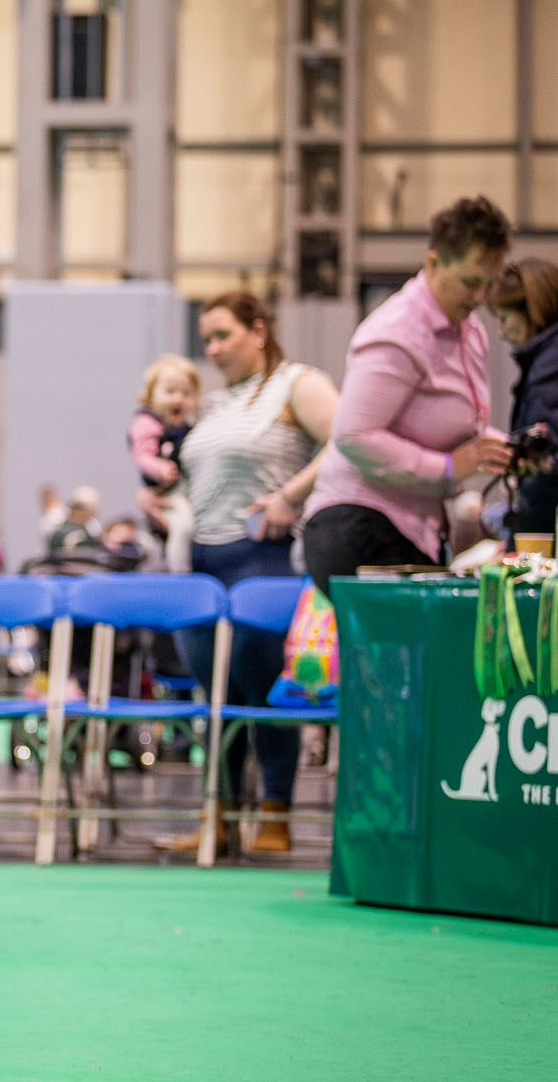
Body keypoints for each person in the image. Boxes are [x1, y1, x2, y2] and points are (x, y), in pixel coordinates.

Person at [175, 290, 338, 854]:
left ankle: (276, 814)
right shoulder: (218, 403)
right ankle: (216, 817)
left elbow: (347, 441)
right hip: (202, 561)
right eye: (207, 341)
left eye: (224, 335)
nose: (213, 349)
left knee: (263, 690)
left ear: (259, 331)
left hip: (263, 557)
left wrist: (289, 495)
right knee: (214, 691)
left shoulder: (300, 382)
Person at [304, 197, 508, 594]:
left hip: (413, 530)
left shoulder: (468, 331)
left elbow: (452, 429)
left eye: (489, 283)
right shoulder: (397, 332)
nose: (480, 297)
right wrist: (447, 468)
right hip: (358, 528)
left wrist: (499, 450)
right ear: (434, 262)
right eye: (470, 282)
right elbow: (353, 435)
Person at [493, 255, 558, 540]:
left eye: (506, 319)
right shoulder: (543, 365)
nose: (502, 332)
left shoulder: (548, 370)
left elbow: (544, 468)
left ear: (533, 311)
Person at [132, 356, 201, 567]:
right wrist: (160, 469)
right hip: (167, 493)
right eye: (170, 392)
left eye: (186, 393)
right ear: (151, 397)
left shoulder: (191, 427)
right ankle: (179, 572)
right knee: (183, 527)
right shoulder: (147, 424)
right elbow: (142, 455)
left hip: (186, 490)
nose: (178, 399)